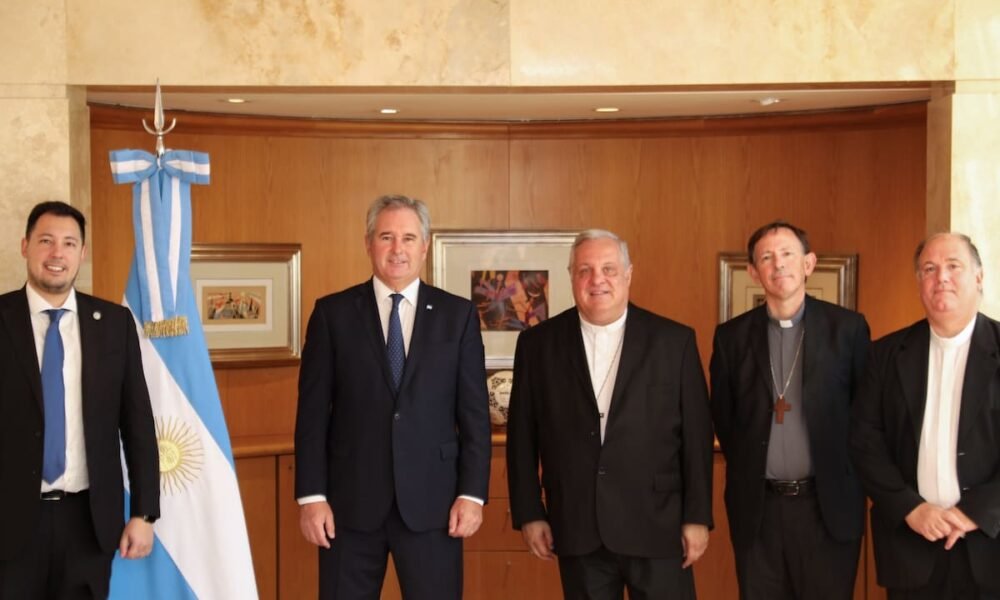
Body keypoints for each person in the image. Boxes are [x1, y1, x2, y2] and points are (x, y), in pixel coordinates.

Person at [294, 194, 491, 599]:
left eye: (408, 238)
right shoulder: (332, 314)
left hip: (435, 506)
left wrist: (471, 494)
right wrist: (311, 496)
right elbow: (311, 415)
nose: (397, 249)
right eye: (386, 237)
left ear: (425, 246)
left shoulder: (458, 316)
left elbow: (474, 416)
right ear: (368, 244)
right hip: (348, 507)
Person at [506, 229, 714, 599]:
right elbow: (522, 437)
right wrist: (530, 512)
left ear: (628, 274)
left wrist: (697, 516)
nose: (596, 279)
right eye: (584, 270)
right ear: (571, 277)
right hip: (577, 524)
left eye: (608, 269)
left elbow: (696, 438)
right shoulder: (538, 345)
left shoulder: (673, 341)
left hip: (658, 523)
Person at [0, 201, 160, 598]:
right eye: (46, 241)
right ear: (25, 246)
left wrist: (144, 513)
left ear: (82, 253)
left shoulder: (114, 324)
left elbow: (137, 423)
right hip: (9, 522)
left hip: (88, 523)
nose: (57, 253)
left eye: (69, 243)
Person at [710, 221, 870, 599]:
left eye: (787, 254)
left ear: (808, 263)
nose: (778, 264)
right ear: (753, 272)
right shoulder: (731, 337)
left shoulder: (847, 329)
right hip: (759, 509)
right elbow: (725, 417)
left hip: (827, 507)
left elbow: (865, 414)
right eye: (766, 257)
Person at [850, 233, 1000, 599]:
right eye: (929, 269)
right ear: (919, 282)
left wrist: (976, 511)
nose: (941, 277)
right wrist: (910, 507)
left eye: (953, 266)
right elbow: (865, 442)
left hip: (990, 546)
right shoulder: (885, 355)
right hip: (910, 545)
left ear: (979, 277)